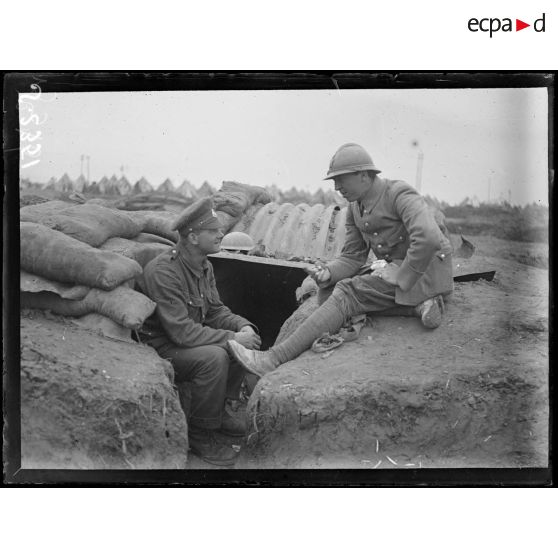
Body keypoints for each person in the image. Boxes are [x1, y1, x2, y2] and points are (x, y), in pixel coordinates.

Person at [227, 143, 454, 377]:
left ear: (364, 176)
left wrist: (402, 275)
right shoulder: (355, 208)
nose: (337, 187)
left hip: (427, 270)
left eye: (342, 179)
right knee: (329, 290)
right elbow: (352, 257)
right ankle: (417, 306)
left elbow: (428, 237)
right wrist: (328, 272)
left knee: (348, 293)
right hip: (399, 269)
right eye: (334, 181)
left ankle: (273, 359)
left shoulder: (399, 194)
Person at [136, 197, 261, 466]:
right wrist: (232, 338)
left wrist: (242, 325)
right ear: (193, 237)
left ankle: (222, 412)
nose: (221, 234)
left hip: (183, 339)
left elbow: (215, 312)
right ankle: (200, 435)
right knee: (215, 357)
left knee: (239, 344)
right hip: (161, 344)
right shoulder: (164, 271)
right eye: (213, 231)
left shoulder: (204, 266)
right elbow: (181, 332)